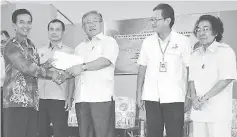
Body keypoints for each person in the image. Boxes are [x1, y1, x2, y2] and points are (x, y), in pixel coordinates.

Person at [2, 9, 66, 137]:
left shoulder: (31, 46)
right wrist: (51, 74)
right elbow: (26, 67)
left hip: (32, 102)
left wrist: (48, 64)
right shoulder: (10, 45)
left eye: (28, 22)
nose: (26, 26)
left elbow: (35, 69)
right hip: (16, 102)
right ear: (14, 25)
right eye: (21, 22)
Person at [136, 3, 191, 137]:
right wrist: (138, 93)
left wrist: (189, 95)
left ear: (168, 21)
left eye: (156, 19)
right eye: (152, 19)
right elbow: (142, 67)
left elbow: (190, 69)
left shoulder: (183, 41)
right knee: (153, 133)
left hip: (174, 96)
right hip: (151, 96)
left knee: (175, 133)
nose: (153, 23)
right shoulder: (147, 42)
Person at [66, 10, 119, 137]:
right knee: (84, 134)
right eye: (87, 22)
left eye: (95, 21)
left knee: (103, 134)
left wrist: (83, 67)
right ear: (83, 27)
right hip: (81, 98)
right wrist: (69, 95)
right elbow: (74, 71)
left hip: (101, 98)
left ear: (101, 23)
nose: (91, 25)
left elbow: (105, 61)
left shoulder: (109, 42)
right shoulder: (79, 48)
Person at [189, 14, 237, 137]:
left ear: (215, 32)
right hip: (199, 112)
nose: (201, 33)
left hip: (218, 113)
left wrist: (204, 98)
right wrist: (194, 98)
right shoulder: (194, 55)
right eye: (198, 29)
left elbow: (226, 79)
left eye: (206, 29)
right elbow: (191, 80)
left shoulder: (225, 51)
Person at [38, 19, 75, 137]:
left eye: (58, 29)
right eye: (51, 29)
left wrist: (69, 97)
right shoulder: (39, 51)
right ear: (48, 31)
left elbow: (72, 76)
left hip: (59, 99)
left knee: (61, 132)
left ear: (63, 32)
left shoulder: (70, 52)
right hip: (40, 99)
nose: (54, 32)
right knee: (41, 132)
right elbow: (34, 72)